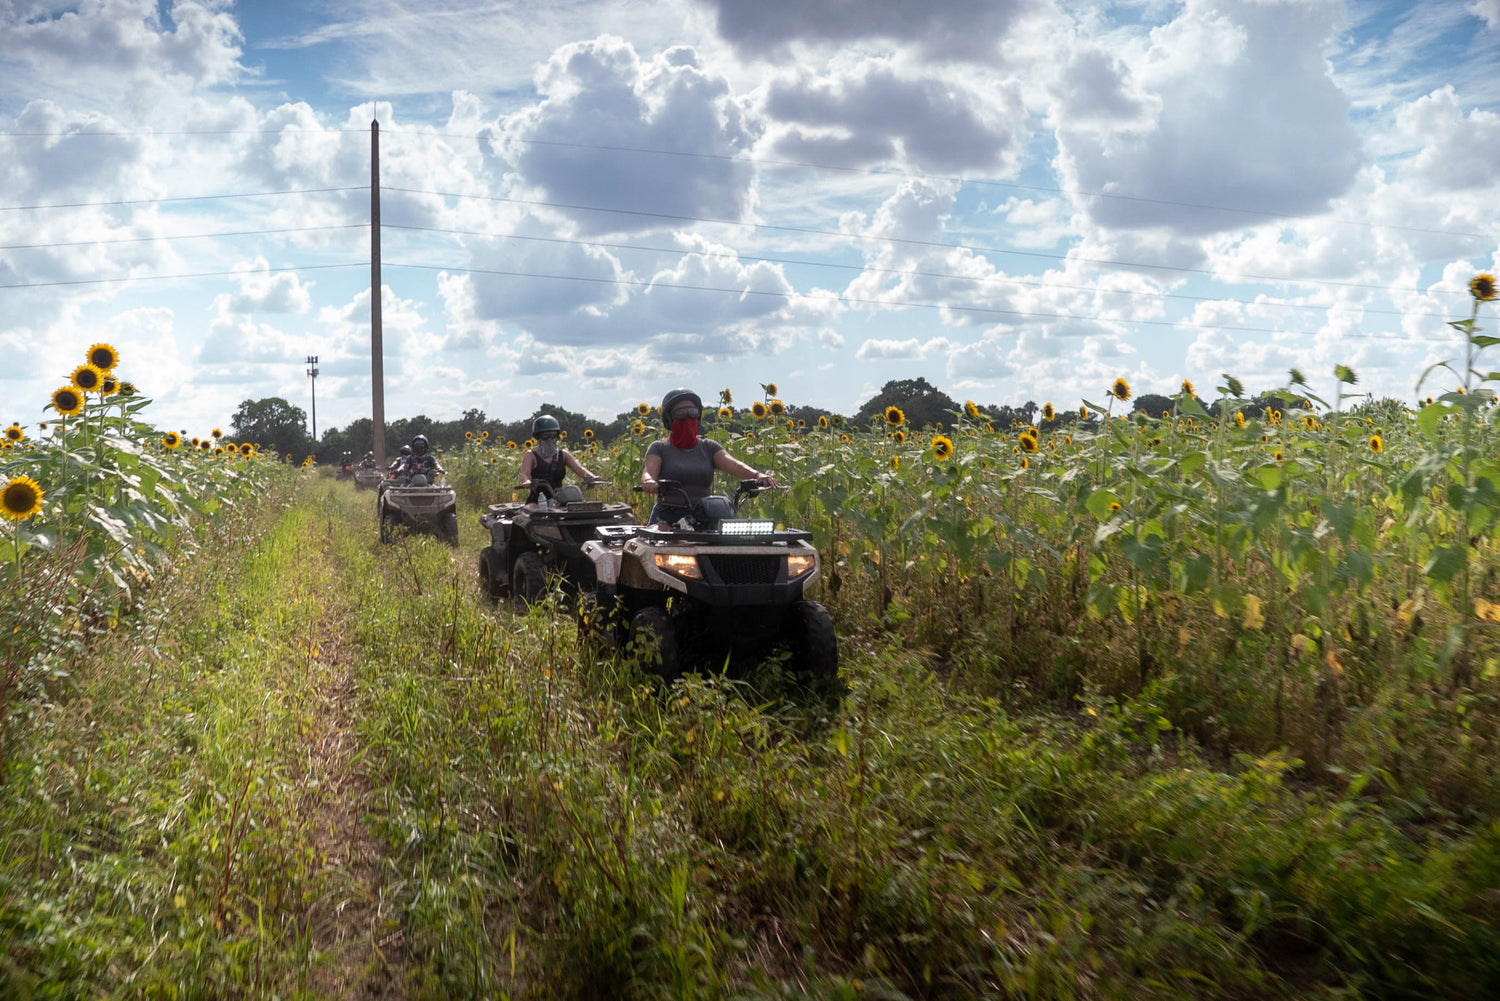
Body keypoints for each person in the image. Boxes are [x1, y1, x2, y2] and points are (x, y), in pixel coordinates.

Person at [639, 388, 779, 525]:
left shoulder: (709, 447)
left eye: (692, 413)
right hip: (667, 516)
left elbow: (734, 465)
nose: (688, 418)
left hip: (705, 515)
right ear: (669, 418)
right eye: (681, 414)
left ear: (698, 416)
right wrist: (649, 482)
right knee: (661, 542)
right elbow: (648, 472)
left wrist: (757, 475)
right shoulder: (659, 448)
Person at [520, 414, 597, 504]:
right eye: (545, 436)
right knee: (533, 512)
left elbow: (579, 469)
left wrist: (593, 477)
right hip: (538, 500)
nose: (549, 439)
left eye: (553, 435)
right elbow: (524, 473)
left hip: (561, 499)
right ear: (538, 437)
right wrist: (527, 482)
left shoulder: (563, 454)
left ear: (557, 437)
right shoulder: (531, 455)